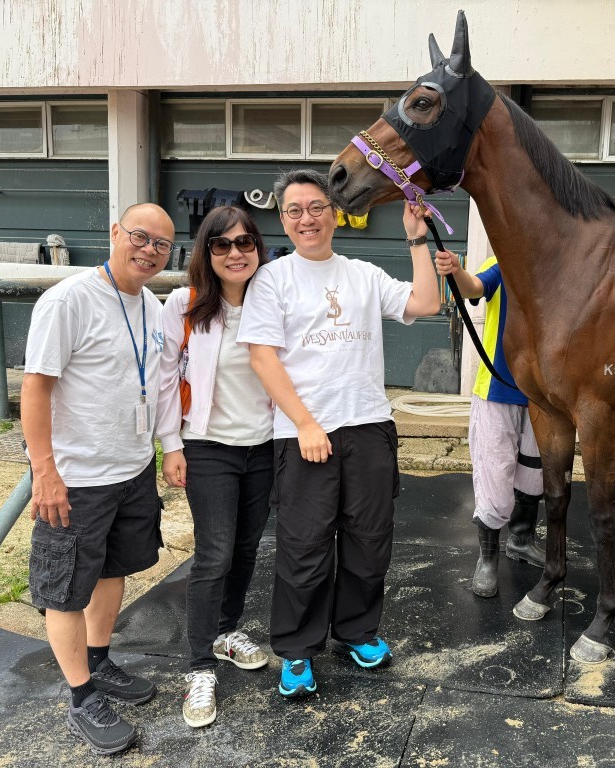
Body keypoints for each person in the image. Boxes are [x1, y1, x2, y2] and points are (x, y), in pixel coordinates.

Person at [238, 168, 440, 698]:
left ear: (335, 214)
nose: (307, 218)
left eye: (316, 207)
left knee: (369, 541)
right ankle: (298, 650)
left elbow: (425, 303)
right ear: (283, 220)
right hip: (305, 433)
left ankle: (356, 632)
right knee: (304, 548)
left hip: (369, 426)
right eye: (295, 211)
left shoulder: (363, 274)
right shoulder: (272, 279)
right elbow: (262, 357)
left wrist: (417, 239)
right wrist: (305, 423)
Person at [22, 203, 174, 755]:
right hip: (76, 476)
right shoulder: (69, 299)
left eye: (161, 244)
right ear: (115, 233)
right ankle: (81, 696)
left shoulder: (152, 306)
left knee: (114, 570)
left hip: (131, 468)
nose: (150, 250)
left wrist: (160, 451)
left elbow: (151, 385)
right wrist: (45, 471)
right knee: (65, 590)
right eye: (140, 236)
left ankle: (100, 660)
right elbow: (36, 387)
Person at [154, 206, 274, 728]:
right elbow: (161, 379)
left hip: (264, 445)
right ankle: (199, 665)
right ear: (205, 252)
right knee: (214, 554)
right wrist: (170, 444)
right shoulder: (184, 304)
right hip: (208, 446)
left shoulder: (273, 303)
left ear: (257, 249)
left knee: (247, 546)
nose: (234, 253)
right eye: (221, 244)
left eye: (244, 242)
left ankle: (227, 631)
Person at [433, 251, 545, 598]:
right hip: (499, 388)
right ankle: (488, 557)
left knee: (534, 474)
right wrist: (457, 271)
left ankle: (521, 540)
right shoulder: (503, 257)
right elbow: (474, 288)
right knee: (495, 477)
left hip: (545, 394)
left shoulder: (560, 257)